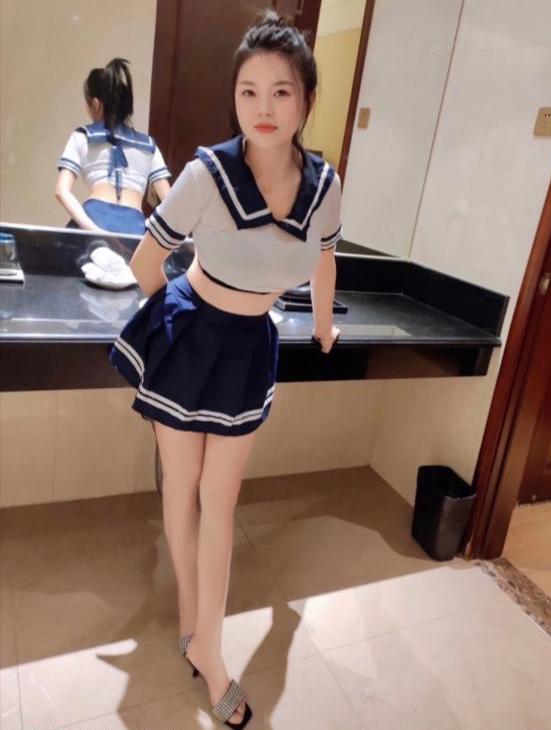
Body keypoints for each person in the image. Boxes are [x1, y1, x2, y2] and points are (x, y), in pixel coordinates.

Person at [109, 11, 341, 728]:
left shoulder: (324, 185)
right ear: (234, 97)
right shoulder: (209, 173)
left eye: (281, 91)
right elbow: (146, 263)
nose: (263, 107)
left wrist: (324, 325)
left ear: (306, 99)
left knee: (221, 497)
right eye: (248, 91)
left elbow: (325, 257)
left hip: (249, 344)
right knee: (183, 489)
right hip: (192, 334)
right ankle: (204, 641)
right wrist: (177, 327)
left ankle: (202, 638)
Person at [55, 58, 171, 235]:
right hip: (135, 228)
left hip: (95, 218)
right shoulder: (149, 145)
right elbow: (170, 203)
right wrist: (149, 230)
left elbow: (61, 191)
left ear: (95, 103)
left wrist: (93, 230)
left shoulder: (82, 136)